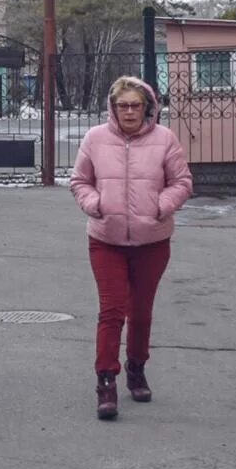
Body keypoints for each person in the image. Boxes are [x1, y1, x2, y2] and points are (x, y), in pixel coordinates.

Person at [69, 75, 193, 420]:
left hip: (152, 241)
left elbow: (182, 182)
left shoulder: (164, 139)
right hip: (105, 239)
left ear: (147, 107)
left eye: (135, 105)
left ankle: (136, 367)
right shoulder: (95, 139)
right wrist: (95, 203)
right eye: (122, 105)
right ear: (112, 107)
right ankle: (105, 380)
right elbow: (79, 180)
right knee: (111, 310)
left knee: (140, 312)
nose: (128, 111)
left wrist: (160, 206)